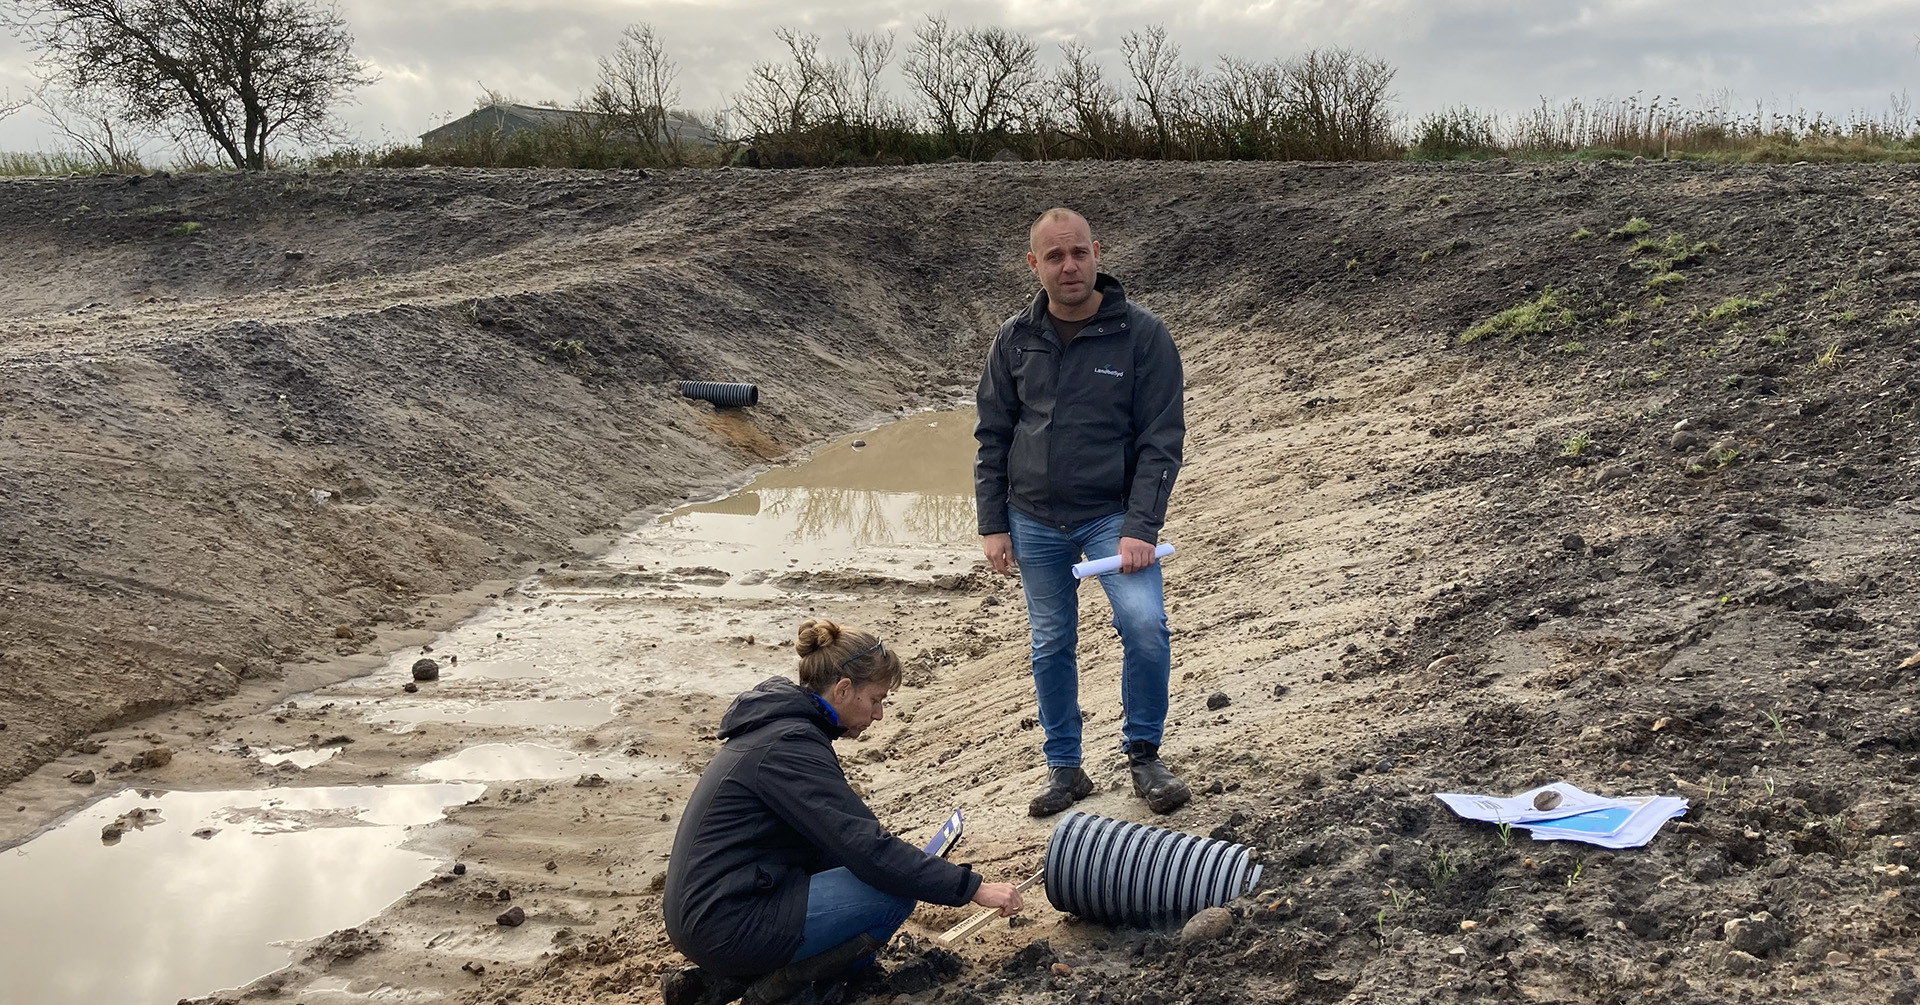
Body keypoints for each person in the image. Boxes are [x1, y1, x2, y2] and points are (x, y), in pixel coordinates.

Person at [661, 619, 1024, 1005]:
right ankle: (782, 992)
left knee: (877, 875)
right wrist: (973, 888)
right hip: (724, 922)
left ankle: (722, 983)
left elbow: (837, 844)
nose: (879, 714)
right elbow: (866, 847)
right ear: (844, 689)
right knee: (891, 895)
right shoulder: (790, 746)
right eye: (876, 699)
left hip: (718, 909)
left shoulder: (782, 730)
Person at [974, 207, 1191, 818]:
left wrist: (1139, 527)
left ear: (1097, 253)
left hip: (1110, 518)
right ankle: (1065, 769)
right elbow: (993, 434)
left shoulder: (1142, 336)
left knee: (1144, 628)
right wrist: (993, 522)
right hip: (1032, 519)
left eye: (1079, 254)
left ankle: (1144, 755)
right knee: (1050, 642)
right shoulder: (1014, 340)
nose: (1069, 267)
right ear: (1034, 264)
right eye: (1054, 257)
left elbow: (1160, 440)